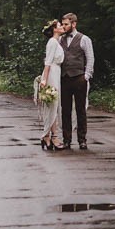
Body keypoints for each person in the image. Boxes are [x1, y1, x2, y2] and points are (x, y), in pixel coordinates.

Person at [60, 12, 94, 150]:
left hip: (79, 77)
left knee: (80, 110)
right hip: (64, 78)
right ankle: (66, 139)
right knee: (65, 110)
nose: (63, 26)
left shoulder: (84, 39)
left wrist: (86, 76)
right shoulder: (60, 39)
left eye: (66, 24)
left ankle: (82, 139)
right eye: (62, 24)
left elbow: (90, 57)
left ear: (74, 24)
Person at [36, 19, 65, 151]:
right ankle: (50, 136)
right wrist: (44, 80)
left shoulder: (57, 41)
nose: (62, 27)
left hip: (56, 72)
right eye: (60, 25)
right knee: (52, 104)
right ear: (54, 29)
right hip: (51, 73)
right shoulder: (52, 42)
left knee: (54, 105)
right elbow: (47, 62)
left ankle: (50, 135)